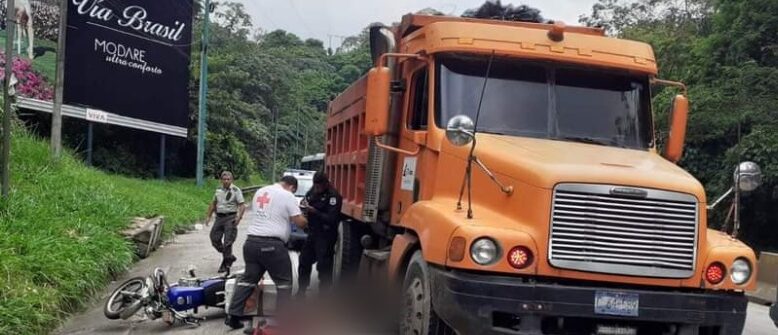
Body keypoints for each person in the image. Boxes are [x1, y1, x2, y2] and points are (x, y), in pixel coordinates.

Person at [225, 176, 308, 330]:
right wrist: (308, 220)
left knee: (247, 281)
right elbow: (299, 222)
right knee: (284, 284)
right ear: (291, 187)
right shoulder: (287, 195)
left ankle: (233, 316)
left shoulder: (261, 191)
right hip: (272, 246)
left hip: (251, 244)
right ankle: (281, 321)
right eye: (294, 190)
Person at [297, 171, 343, 297]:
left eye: (319, 186)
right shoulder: (313, 191)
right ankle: (301, 291)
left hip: (326, 235)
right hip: (312, 233)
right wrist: (304, 205)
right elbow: (306, 199)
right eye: (315, 186)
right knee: (304, 261)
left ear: (325, 184)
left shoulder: (333, 196)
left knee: (324, 266)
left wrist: (314, 211)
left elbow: (332, 219)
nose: (316, 189)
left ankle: (323, 295)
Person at [206, 171, 246, 273]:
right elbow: (214, 203)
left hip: (230, 217)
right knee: (214, 238)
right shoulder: (218, 190)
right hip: (219, 217)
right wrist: (208, 216)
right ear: (221, 180)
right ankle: (229, 256)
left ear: (232, 180)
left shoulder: (236, 190)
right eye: (224, 179)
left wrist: (239, 217)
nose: (226, 181)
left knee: (228, 242)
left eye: (228, 179)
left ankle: (225, 263)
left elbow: (242, 205)